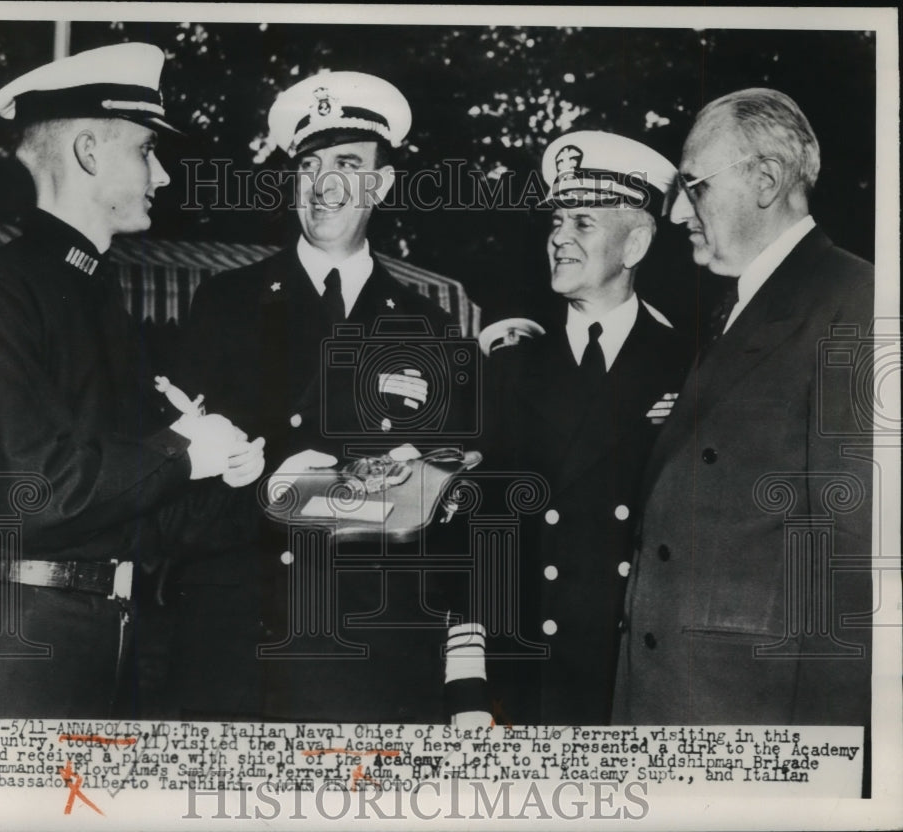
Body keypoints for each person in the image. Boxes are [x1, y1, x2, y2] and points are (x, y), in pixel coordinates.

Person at [0, 43, 265, 718]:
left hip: (114, 637)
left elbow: (143, 514)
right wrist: (181, 451)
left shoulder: (99, 300)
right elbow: (35, 490)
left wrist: (243, 483)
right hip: (23, 638)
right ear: (87, 151)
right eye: (146, 149)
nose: (163, 176)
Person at [168, 71, 463, 722]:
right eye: (309, 165)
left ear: (382, 184)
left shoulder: (427, 324)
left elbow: (434, 490)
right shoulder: (225, 304)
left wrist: (300, 486)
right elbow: (176, 482)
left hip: (369, 645)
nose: (325, 185)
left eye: (349, 164)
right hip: (242, 641)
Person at [613, 88, 874, 725]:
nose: (675, 212)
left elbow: (850, 564)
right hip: (680, 695)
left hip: (747, 714)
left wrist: (825, 770)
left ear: (765, 180)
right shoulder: (741, 308)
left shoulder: (856, 304)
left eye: (694, 186)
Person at [468, 131, 692, 726]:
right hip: (522, 677)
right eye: (558, 220)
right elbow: (474, 537)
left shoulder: (692, 365)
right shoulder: (508, 368)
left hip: (632, 678)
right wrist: (465, 682)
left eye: (584, 222)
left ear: (636, 242)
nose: (560, 236)